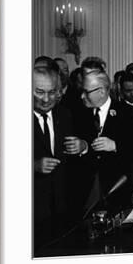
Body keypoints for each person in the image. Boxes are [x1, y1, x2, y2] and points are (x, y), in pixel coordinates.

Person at [72, 70, 133, 216]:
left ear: (102, 91)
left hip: (118, 189)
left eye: (86, 92)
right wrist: (83, 147)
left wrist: (115, 146)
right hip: (88, 192)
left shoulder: (125, 112)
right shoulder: (79, 113)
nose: (82, 96)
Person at [33, 66, 87, 249]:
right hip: (31, 210)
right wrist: (32, 166)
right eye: (39, 92)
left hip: (63, 208)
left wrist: (82, 146)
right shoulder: (9, 118)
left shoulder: (65, 114)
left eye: (52, 92)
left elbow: (78, 165)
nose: (46, 99)